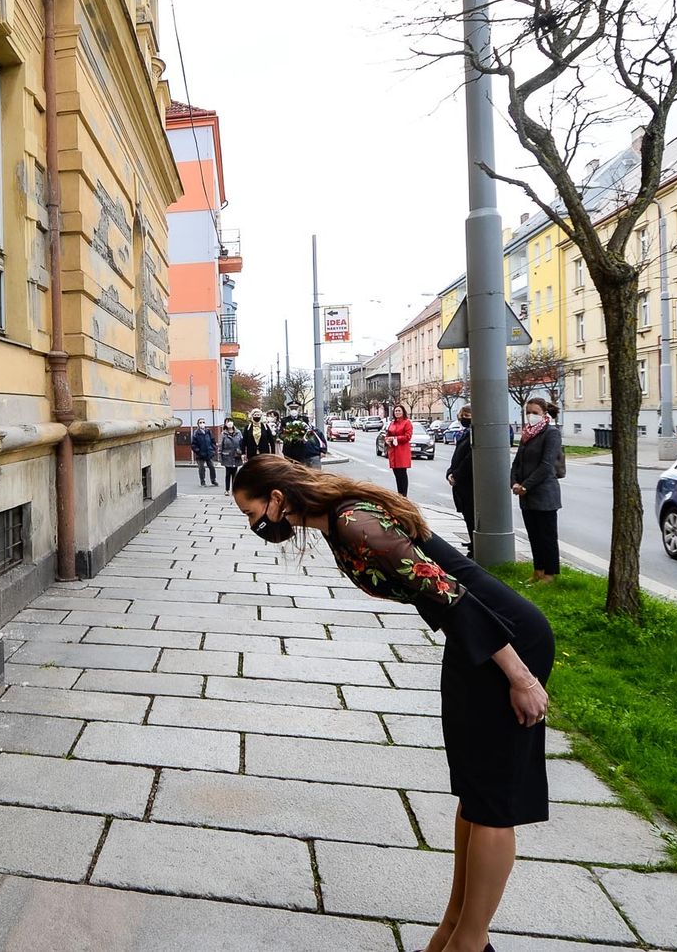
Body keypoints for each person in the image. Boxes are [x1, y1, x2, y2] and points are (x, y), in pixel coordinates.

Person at [231, 455, 552, 952]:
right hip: (475, 643)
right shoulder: (338, 521)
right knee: (474, 790)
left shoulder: (352, 521)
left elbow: (448, 595)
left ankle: (470, 942)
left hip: (507, 643)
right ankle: (451, 930)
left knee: (493, 802)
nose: (257, 526)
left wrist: (521, 677)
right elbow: (434, 597)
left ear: (277, 499)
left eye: (253, 515)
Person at [511, 397, 563, 582]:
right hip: (526, 496)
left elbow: (547, 465)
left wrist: (526, 485)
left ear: (544, 414)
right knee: (533, 535)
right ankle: (538, 571)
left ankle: (549, 574)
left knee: (546, 536)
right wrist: (514, 482)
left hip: (544, 494)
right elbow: (517, 462)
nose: (531, 416)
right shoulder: (527, 434)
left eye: (535, 413)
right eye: (528, 412)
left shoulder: (551, 433)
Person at [446, 406, 476, 559]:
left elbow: (469, 458)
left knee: (471, 515)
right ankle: (473, 543)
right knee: (467, 514)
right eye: (463, 415)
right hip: (460, 481)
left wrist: (455, 475)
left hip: (468, 482)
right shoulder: (466, 432)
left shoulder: (475, 432)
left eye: (468, 415)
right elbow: (457, 456)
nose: (464, 418)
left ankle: (475, 547)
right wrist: (450, 472)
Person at [385, 404, 414, 497]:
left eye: (399, 411)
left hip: (402, 451)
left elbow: (407, 436)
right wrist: (387, 439)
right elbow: (387, 434)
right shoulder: (392, 423)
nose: (397, 412)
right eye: (396, 411)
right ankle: (399, 494)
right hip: (393, 450)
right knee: (396, 473)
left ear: (403, 412)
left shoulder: (407, 422)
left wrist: (394, 438)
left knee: (402, 473)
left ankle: (404, 495)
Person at [218, 418, 244, 492]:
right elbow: (220, 446)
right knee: (228, 473)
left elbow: (242, 443)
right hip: (227, 456)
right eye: (227, 422)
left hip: (236, 455)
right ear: (225, 424)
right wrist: (220, 457)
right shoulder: (223, 434)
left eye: (230, 422)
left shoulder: (238, 432)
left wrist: (241, 451)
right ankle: (227, 489)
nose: (229, 423)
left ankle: (234, 490)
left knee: (235, 473)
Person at [189, 419, 217, 487]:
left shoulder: (208, 431)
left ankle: (213, 480)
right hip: (200, 455)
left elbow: (213, 441)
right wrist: (198, 451)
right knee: (201, 468)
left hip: (208, 453)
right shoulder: (196, 433)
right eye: (200, 422)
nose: (202, 424)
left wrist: (213, 449)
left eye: (203, 422)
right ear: (198, 424)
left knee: (212, 467)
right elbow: (193, 445)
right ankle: (202, 481)